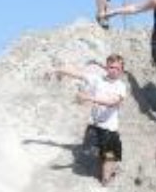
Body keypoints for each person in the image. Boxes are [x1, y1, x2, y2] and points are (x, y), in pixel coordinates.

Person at [51, 54, 128, 185]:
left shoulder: (121, 86)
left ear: (121, 70)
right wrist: (56, 70)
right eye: (111, 67)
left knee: (105, 177)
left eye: (117, 68)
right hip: (94, 126)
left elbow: (112, 102)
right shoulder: (97, 79)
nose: (114, 70)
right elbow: (77, 74)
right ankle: (104, 159)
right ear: (106, 67)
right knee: (88, 151)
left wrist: (89, 98)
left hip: (110, 130)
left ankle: (110, 170)